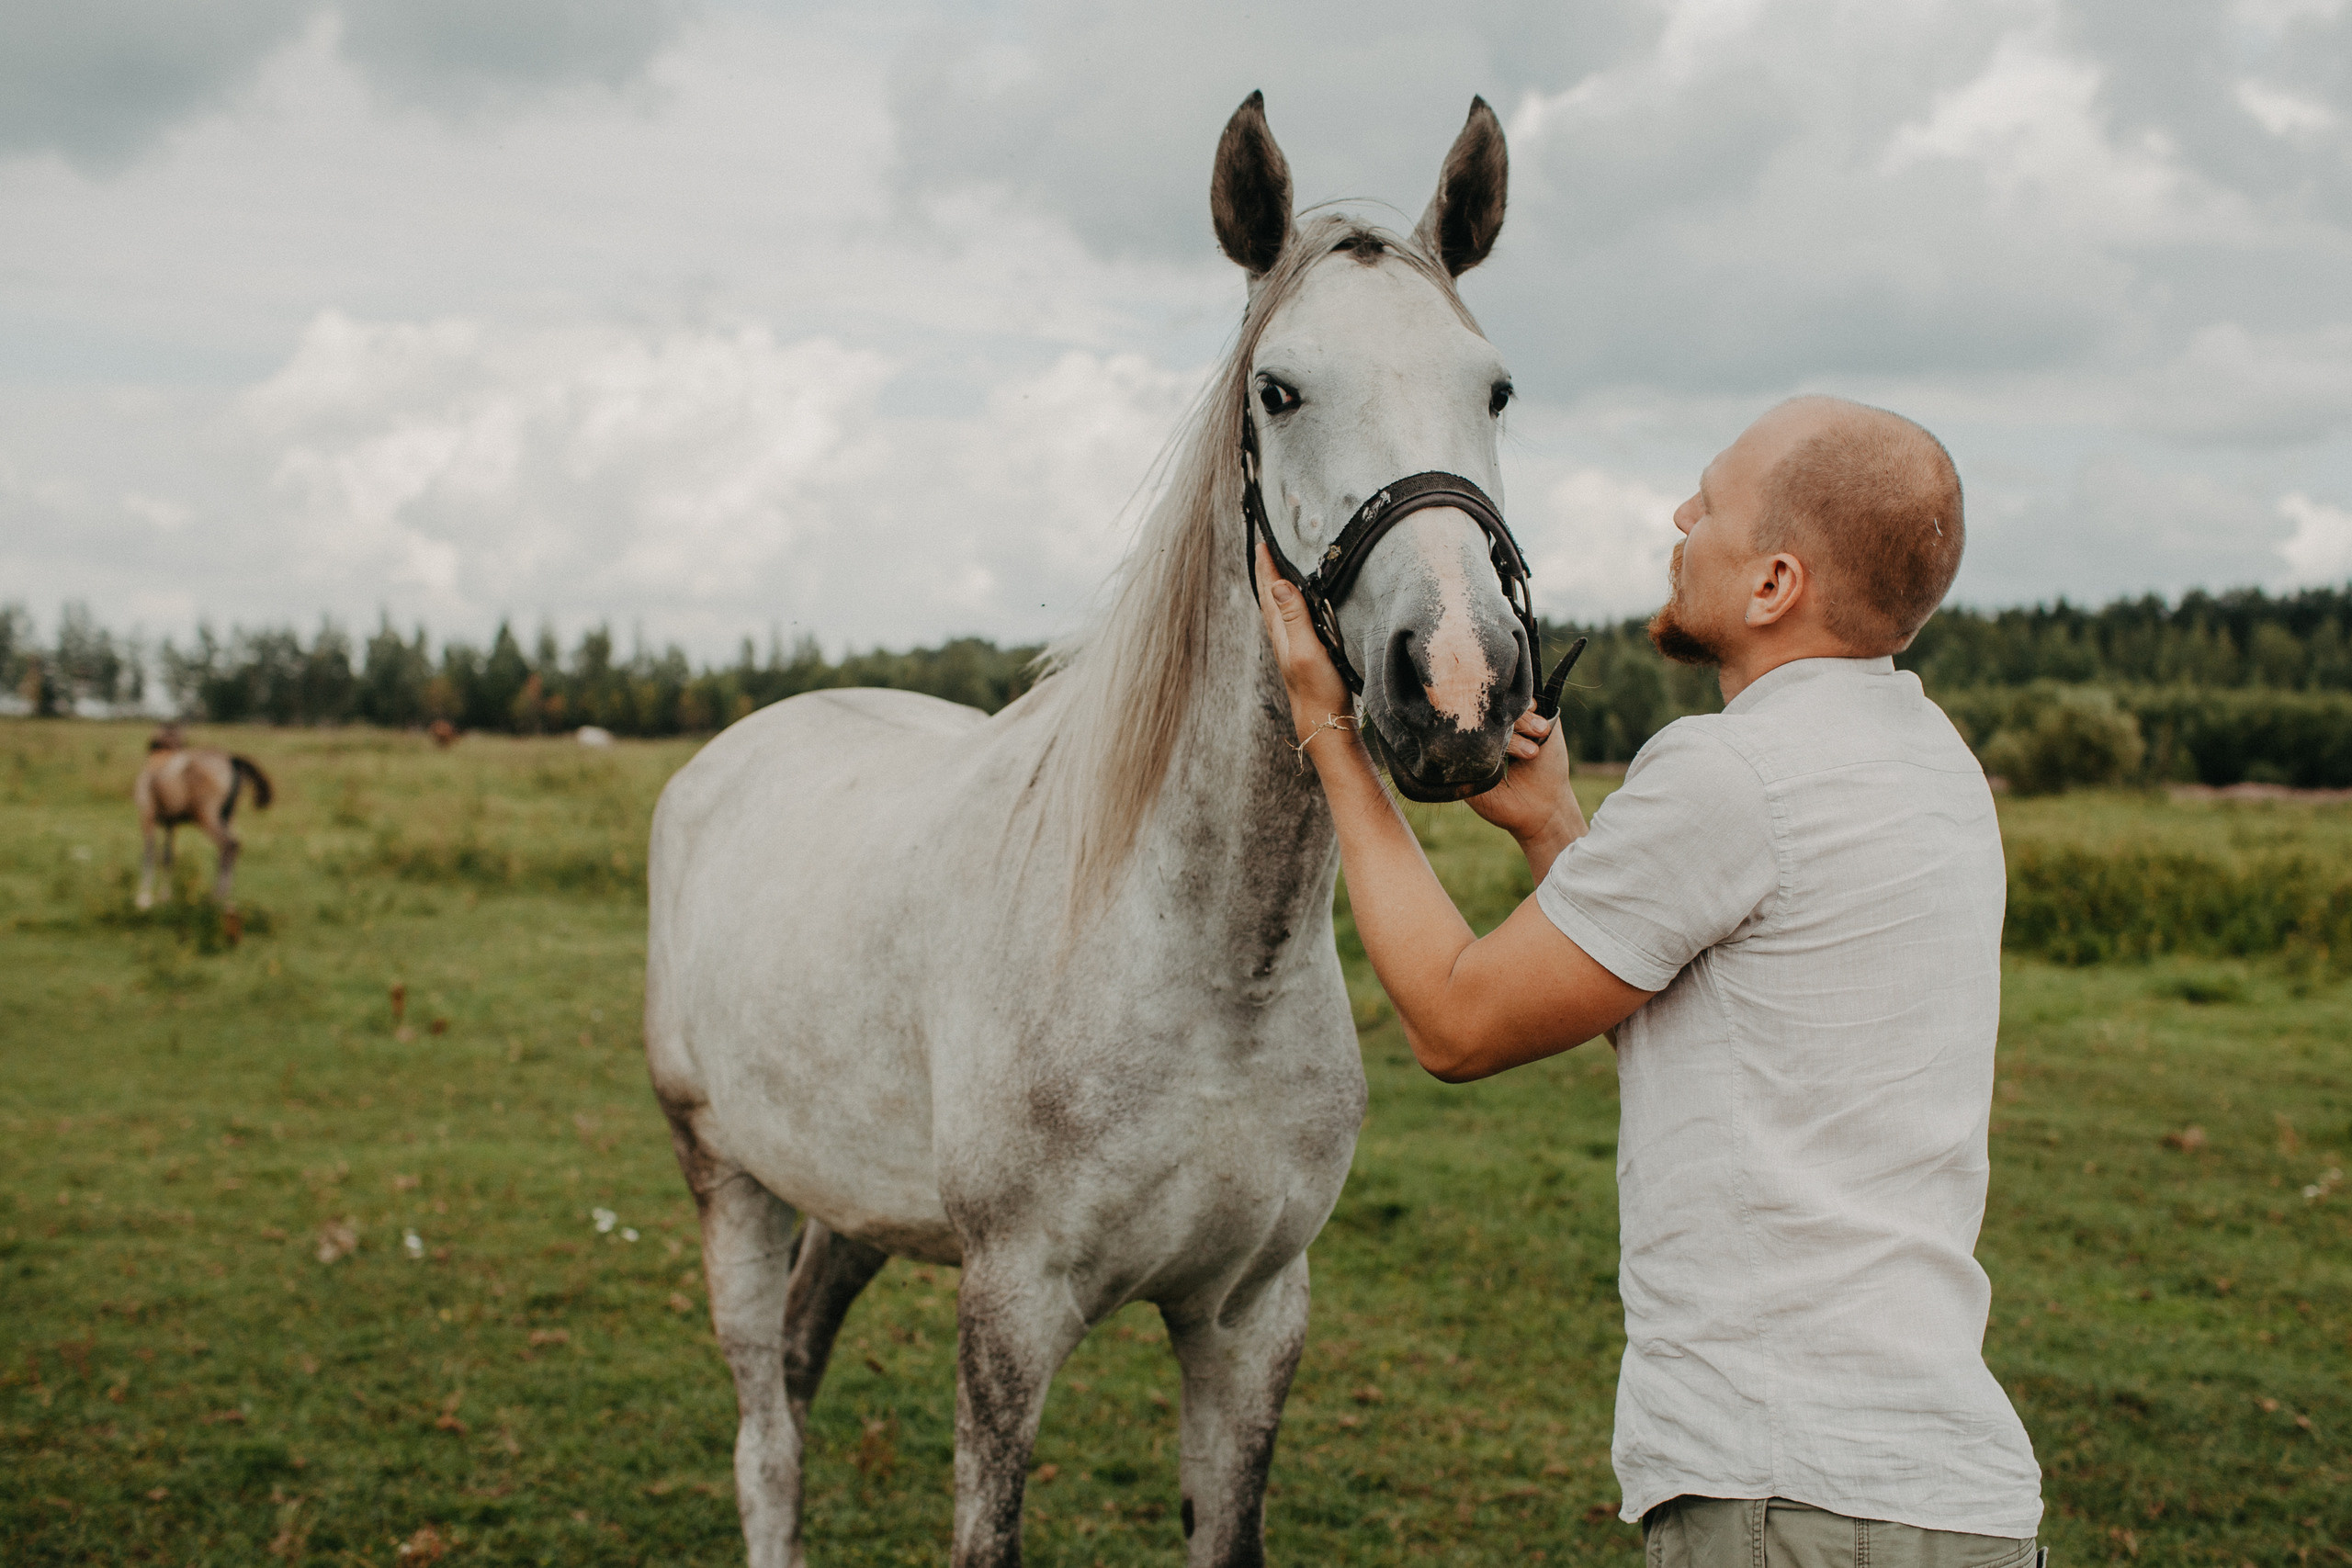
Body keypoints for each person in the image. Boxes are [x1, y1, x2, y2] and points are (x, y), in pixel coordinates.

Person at [1256, 395, 2044, 1567]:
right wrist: (1555, 831)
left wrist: (1327, 726)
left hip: (1785, 1499)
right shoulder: (1934, 763)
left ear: (1774, 584)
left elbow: (1458, 1021)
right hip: (1956, 1499)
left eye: (1710, 505)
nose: (1681, 517)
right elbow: (1714, 1010)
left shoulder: (1728, 774)